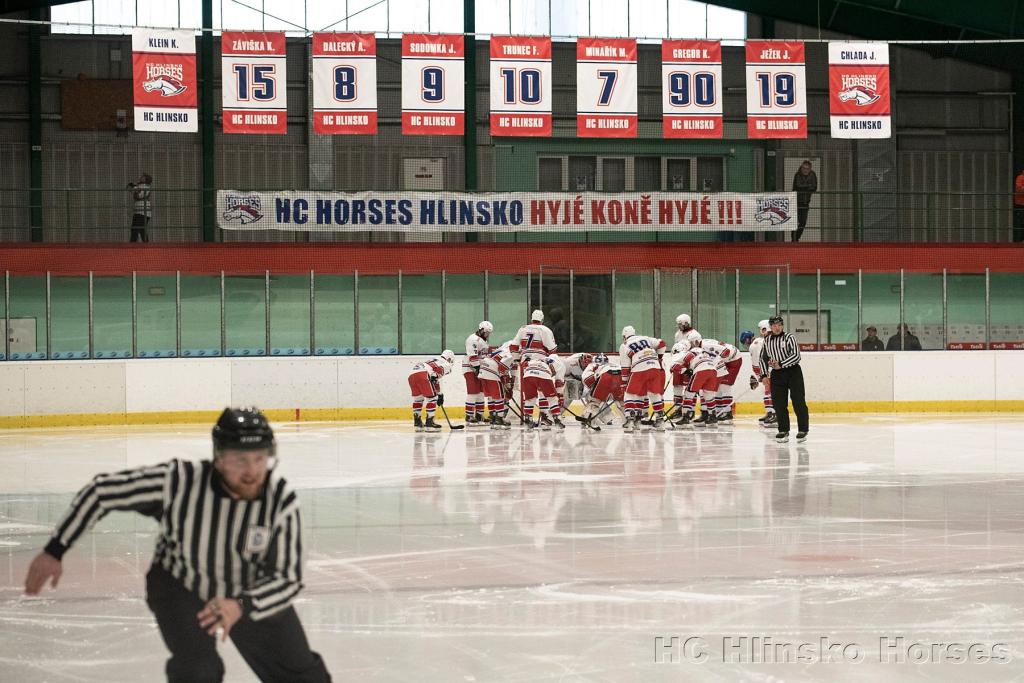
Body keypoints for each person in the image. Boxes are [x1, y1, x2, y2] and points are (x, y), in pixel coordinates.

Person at [24, 407, 332, 683]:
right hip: (180, 586)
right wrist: (55, 550)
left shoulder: (281, 502)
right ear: (220, 458)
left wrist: (240, 605)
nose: (252, 471)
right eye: (240, 459)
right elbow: (103, 491)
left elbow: (288, 577)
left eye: (260, 458)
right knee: (198, 672)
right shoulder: (179, 483)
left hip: (247, 592)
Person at [758, 316, 809, 443]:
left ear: (782, 326)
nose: (777, 327)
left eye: (779, 325)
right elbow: (762, 359)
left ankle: (803, 429)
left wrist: (781, 363)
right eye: (774, 325)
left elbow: (796, 356)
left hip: (793, 372)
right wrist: (764, 375)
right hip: (777, 374)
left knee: (798, 401)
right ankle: (783, 430)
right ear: (771, 327)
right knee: (779, 403)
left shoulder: (789, 337)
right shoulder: (767, 340)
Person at [619, 325, 667, 432]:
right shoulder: (646, 338)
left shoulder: (624, 345)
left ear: (624, 336)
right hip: (655, 367)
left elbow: (625, 367)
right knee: (654, 394)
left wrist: (624, 383)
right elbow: (662, 343)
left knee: (630, 394)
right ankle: (660, 421)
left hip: (639, 367)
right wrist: (659, 358)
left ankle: (631, 420)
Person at [408, 349, 455, 430]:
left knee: (418, 399)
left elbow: (433, 376)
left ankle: (417, 422)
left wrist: (439, 393)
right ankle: (429, 422)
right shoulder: (446, 364)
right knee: (432, 399)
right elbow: (435, 376)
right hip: (423, 374)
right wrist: (439, 394)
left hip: (412, 374)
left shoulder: (434, 359)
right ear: (450, 359)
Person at [742, 320, 776, 426]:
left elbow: (762, 360)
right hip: (767, 371)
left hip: (769, 370)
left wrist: (762, 374)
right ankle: (770, 412)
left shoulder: (758, 343)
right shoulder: (762, 342)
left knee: (771, 392)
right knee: (767, 392)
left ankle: (774, 414)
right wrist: (759, 376)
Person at [478, 342, 517, 430]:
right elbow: (502, 368)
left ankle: (493, 418)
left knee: (492, 397)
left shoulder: (500, 350)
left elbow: (509, 367)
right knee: (499, 397)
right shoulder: (510, 354)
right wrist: (506, 383)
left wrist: (508, 382)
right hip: (492, 370)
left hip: (483, 369)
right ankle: (499, 419)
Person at [463, 321, 493, 425]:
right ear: (480, 330)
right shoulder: (473, 339)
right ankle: (469, 415)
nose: (487, 334)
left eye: (489, 333)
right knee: (473, 392)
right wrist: (477, 369)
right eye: (486, 332)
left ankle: (479, 415)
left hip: (480, 369)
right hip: (470, 368)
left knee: (481, 393)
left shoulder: (483, 341)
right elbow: (473, 357)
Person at [791, 160, 817, 242]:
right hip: (796, 202)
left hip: (806, 202)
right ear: (801, 168)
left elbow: (814, 187)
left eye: (807, 168)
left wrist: (805, 187)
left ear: (810, 169)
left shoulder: (813, 175)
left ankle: (797, 238)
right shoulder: (797, 174)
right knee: (795, 221)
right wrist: (808, 186)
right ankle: (794, 239)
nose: (805, 170)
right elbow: (798, 186)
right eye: (804, 168)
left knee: (803, 223)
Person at [129, 173, 153, 243]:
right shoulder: (139, 186)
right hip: (138, 211)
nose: (141, 177)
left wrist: (135, 189)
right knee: (141, 229)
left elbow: (139, 196)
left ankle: (133, 244)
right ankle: (145, 244)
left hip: (143, 212)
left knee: (136, 229)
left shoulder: (146, 187)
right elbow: (131, 191)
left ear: (146, 179)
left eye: (143, 176)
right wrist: (134, 188)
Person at [1015, 169, 1024, 242]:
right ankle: (1020, 240)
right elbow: (1019, 190)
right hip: (1021, 204)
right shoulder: (1020, 177)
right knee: (1021, 222)